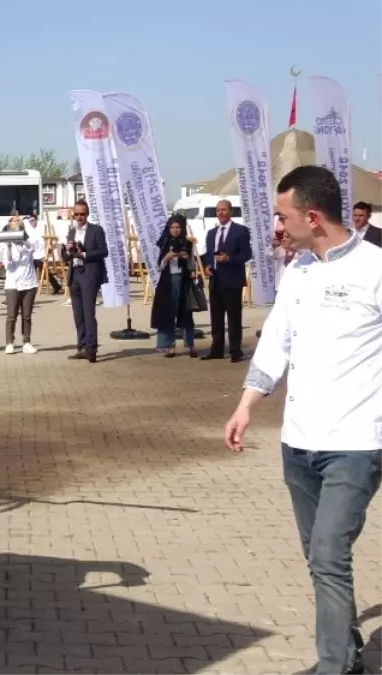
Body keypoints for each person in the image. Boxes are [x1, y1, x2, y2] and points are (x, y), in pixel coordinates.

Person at [224, 165, 382, 675]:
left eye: (281, 214)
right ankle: (347, 652)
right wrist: (247, 403)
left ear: (311, 216)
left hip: (357, 443)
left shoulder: (376, 268)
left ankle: (333, 665)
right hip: (299, 445)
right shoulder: (299, 270)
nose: (276, 225)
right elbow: (276, 343)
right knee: (319, 558)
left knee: (330, 554)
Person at [200, 199, 252, 362]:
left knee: (234, 317)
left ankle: (235, 351)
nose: (220, 213)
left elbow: (246, 255)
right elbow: (208, 255)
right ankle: (217, 349)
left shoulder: (240, 231)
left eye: (223, 210)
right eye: (218, 211)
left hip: (232, 280)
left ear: (230, 212)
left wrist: (229, 258)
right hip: (215, 280)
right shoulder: (211, 233)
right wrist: (207, 266)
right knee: (216, 317)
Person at [64, 200, 108, 362]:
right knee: (78, 315)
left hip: (89, 274)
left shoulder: (96, 230)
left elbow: (103, 251)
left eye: (82, 214)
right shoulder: (71, 231)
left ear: (87, 214)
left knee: (89, 314)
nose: (79, 217)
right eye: (76, 214)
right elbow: (65, 257)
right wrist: (67, 250)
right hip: (75, 274)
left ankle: (91, 349)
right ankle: (81, 347)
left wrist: (84, 254)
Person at [149, 214, 198, 358]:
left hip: (183, 281)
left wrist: (187, 258)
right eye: (172, 227)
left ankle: (190, 345)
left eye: (178, 227)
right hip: (167, 282)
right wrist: (166, 257)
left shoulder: (188, 244)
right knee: (167, 313)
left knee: (186, 313)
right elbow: (158, 267)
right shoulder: (164, 243)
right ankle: (169, 345)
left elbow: (192, 266)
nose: (175, 230)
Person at [0, 216, 37, 354]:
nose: (16, 221)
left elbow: (33, 245)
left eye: (18, 221)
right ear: (9, 227)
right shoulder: (5, 244)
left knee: (27, 316)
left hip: (29, 283)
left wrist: (23, 235)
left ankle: (26, 342)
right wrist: (9, 245)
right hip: (13, 284)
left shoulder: (28, 240)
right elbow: (8, 262)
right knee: (11, 315)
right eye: (13, 221)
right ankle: (9, 343)